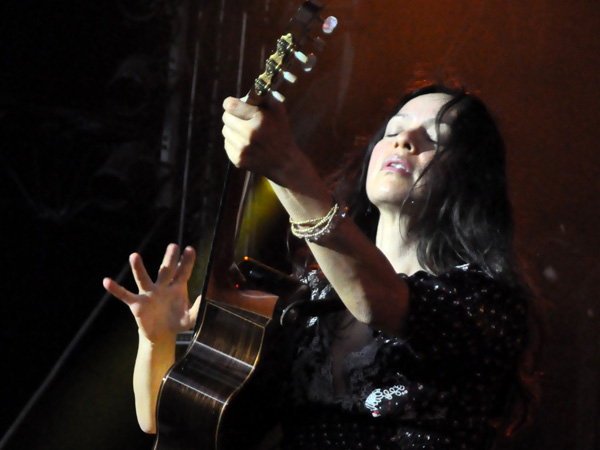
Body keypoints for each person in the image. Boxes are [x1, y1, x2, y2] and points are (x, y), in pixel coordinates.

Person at [104, 83, 539, 450]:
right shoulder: (306, 308)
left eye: (435, 138)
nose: (405, 141)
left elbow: (378, 300)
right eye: (394, 130)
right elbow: (171, 420)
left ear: (470, 178)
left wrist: (285, 166)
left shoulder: (484, 301)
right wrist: (157, 338)